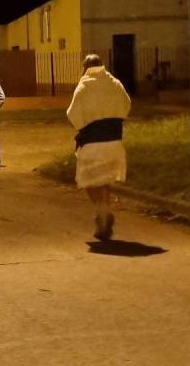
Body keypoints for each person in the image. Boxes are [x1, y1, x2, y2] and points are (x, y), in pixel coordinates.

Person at [67, 54, 131, 240]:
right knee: (105, 180)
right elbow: (126, 105)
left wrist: (83, 125)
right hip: (114, 139)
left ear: (85, 67)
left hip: (93, 141)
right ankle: (104, 211)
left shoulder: (84, 86)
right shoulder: (115, 83)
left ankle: (101, 213)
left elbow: (72, 113)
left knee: (89, 180)